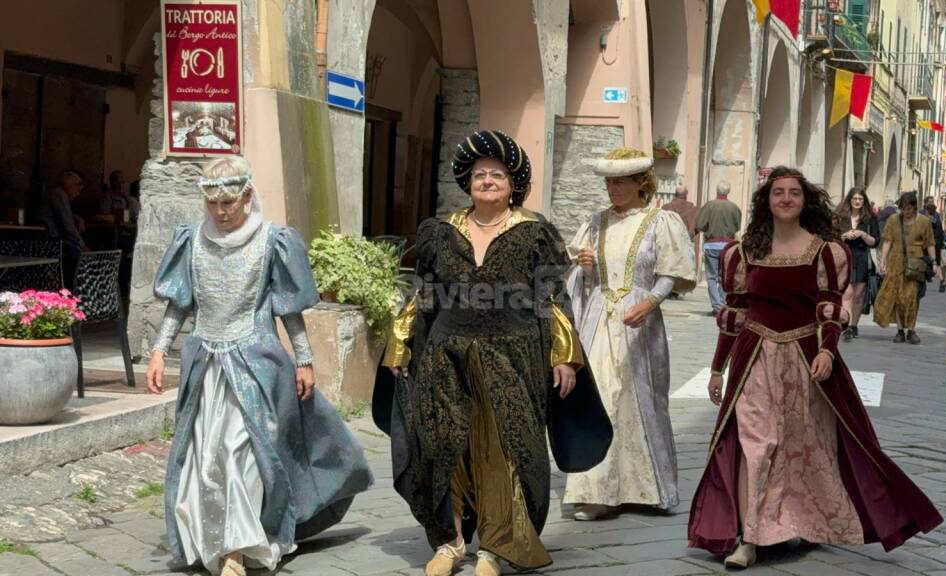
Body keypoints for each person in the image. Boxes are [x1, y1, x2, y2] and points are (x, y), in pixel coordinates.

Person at [378, 130, 610, 576]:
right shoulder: (439, 232)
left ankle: (498, 545)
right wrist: (400, 343)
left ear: (513, 183)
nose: (487, 180)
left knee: (505, 447)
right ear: (467, 181)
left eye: (497, 174)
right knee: (443, 441)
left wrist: (564, 355)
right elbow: (422, 293)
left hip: (515, 356)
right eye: (480, 174)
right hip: (447, 354)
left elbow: (552, 296)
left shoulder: (535, 231)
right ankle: (450, 541)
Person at [688, 167, 942, 570]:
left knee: (801, 449)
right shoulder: (744, 252)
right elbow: (734, 315)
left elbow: (828, 310)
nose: (786, 199)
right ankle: (749, 537)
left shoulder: (825, 251)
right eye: (778, 193)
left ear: (804, 201)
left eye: (793, 193)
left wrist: (827, 350)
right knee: (757, 446)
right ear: (766, 201)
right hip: (754, 358)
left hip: (807, 362)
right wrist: (718, 369)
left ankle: (796, 521)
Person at [145, 156, 373, 576]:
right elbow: (181, 304)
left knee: (242, 453)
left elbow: (288, 310)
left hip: (256, 366)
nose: (221, 212)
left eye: (229, 203)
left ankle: (234, 549)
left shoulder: (273, 241)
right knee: (205, 457)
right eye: (213, 204)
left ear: (247, 196)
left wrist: (304, 359)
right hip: (207, 368)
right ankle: (215, 539)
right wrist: (160, 350)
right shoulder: (192, 241)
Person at [563, 148, 696, 521]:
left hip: (640, 320)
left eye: (619, 181)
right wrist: (586, 267)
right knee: (600, 396)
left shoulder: (661, 221)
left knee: (640, 400)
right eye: (608, 182)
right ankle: (598, 492)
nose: (612, 189)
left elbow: (671, 271)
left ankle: (646, 489)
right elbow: (584, 280)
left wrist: (650, 302)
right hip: (599, 319)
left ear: (642, 183)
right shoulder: (595, 222)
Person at [873, 192, 941, 344]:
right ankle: (899, 331)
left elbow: (930, 243)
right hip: (895, 261)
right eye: (903, 208)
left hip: (915, 264)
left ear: (915, 208)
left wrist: (935, 262)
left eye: (909, 209)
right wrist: (882, 260)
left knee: (911, 298)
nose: (906, 212)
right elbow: (887, 242)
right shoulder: (893, 220)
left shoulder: (924, 221)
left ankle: (911, 329)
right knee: (897, 297)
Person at [835, 187, 879, 341]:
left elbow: (875, 241)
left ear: (864, 201)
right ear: (849, 199)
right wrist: (844, 236)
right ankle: (846, 325)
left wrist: (862, 234)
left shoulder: (870, 218)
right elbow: (831, 238)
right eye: (855, 198)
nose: (858, 201)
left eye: (860, 199)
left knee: (859, 294)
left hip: (861, 257)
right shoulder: (840, 216)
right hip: (844, 256)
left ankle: (854, 325)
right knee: (847, 293)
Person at [695, 182, 742, 316]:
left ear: (717, 191)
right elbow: (737, 226)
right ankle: (722, 304)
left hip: (711, 244)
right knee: (723, 277)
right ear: (728, 192)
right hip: (728, 246)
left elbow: (700, 225)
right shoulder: (734, 207)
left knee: (711, 277)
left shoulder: (709, 206)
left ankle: (717, 306)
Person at [39, 170, 88, 290]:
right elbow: (67, 225)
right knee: (84, 257)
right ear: (71, 186)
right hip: (52, 241)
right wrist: (82, 245)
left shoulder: (59, 194)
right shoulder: (59, 194)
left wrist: (77, 218)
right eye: (78, 189)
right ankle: (77, 291)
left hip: (56, 240)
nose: (78, 193)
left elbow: (67, 215)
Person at [920, 196, 946, 292]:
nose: (931, 203)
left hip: (935, 243)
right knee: (923, 261)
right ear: (925, 203)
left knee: (936, 263)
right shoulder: (921, 213)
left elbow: (939, 228)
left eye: (932, 201)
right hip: (924, 242)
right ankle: (926, 278)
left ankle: (942, 281)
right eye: (929, 202)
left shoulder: (936, 215)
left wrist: (942, 241)